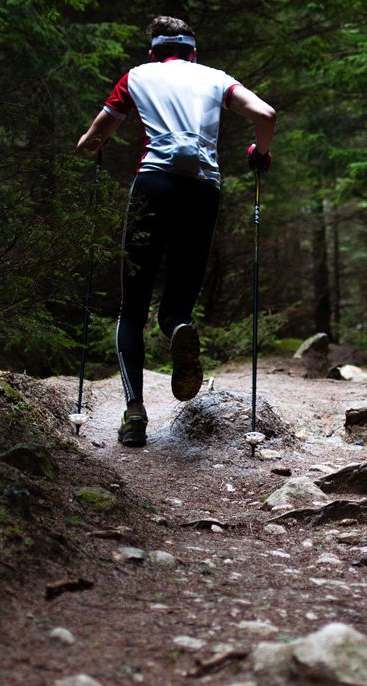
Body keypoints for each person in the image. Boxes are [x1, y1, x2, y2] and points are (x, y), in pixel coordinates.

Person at [77, 16, 276, 447]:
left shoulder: (136, 77)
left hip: (153, 186)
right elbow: (265, 113)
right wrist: (260, 153)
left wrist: (86, 149)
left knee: (131, 308)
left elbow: (97, 134)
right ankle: (178, 330)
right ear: (193, 52)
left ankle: (133, 415)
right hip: (204, 191)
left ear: (153, 52)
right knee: (176, 308)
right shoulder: (216, 78)